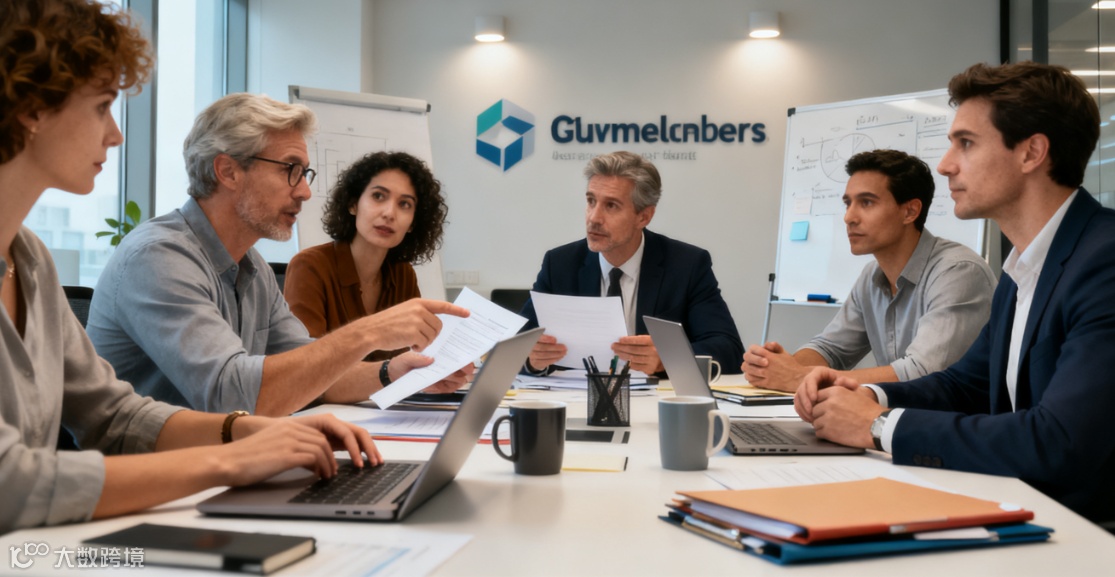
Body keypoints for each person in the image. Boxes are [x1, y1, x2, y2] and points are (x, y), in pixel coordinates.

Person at [0, 0, 381, 532]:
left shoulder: (30, 260)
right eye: (102, 106)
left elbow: (115, 416)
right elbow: (11, 482)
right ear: (32, 107)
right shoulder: (155, 255)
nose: (116, 134)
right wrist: (229, 459)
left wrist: (247, 433)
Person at [795, 61, 1115, 524]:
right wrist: (865, 393)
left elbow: (1060, 440)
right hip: (1029, 510)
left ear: (1031, 153)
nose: (945, 165)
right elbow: (965, 385)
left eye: (965, 143)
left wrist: (878, 426)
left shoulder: (1104, 261)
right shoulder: (1024, 268)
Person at [87, 93, 473, 417]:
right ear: (228, 171)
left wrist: (395, 372)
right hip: (151, 475)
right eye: (291, 169)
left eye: (305, 173)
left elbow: (314, 374)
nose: (304, 191)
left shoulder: (252, 266)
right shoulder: (158, 258)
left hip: (221, 462)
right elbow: (230, 395)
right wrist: (370, 331)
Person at [743, 149, 995, 392]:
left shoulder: (959, 272)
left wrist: (799, 377)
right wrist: (778, 368)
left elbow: (923, 373)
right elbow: (830, 349)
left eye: (866, 202)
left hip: (953, 419)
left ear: (910, 211)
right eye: (848, 203)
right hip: (894, 414)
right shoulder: (871, 276)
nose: (849, 217)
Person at [520, 151, 743, 375]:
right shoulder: (560, 264)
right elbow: (516, 346)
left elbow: (729, 349)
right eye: (591, 201)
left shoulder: (687, 265)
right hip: (577, 394)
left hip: (654, 396)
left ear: (643, 217)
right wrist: (532, 360)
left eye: (611, 205)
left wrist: (666, 359)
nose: (594, 218)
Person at [284, 150, 447, 364]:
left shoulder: (403, 274)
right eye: (378, 196)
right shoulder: (310, 266)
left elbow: (409, 355)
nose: (389, 213)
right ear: (353, 204)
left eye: (404, 204)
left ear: (413, 223)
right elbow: (305, 366)